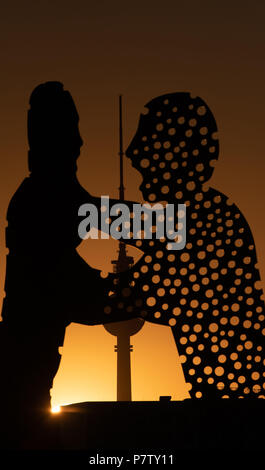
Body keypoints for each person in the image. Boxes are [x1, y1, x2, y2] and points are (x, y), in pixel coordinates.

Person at [0, 82, 142, 448]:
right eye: (71, 132)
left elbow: (100, 216)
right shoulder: (41, 202)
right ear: (51, 140)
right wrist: (178, 225)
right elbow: (82, 292)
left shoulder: (46, 198)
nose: (80, 143)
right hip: (22, 378)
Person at [109, 92, 265, 400]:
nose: (140, 178)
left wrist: (69, 209)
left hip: (234, 408)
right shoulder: (211, 214)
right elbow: (132, 222)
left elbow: (123, 295)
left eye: (146, 162)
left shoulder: (208, 223)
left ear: (176, 158)